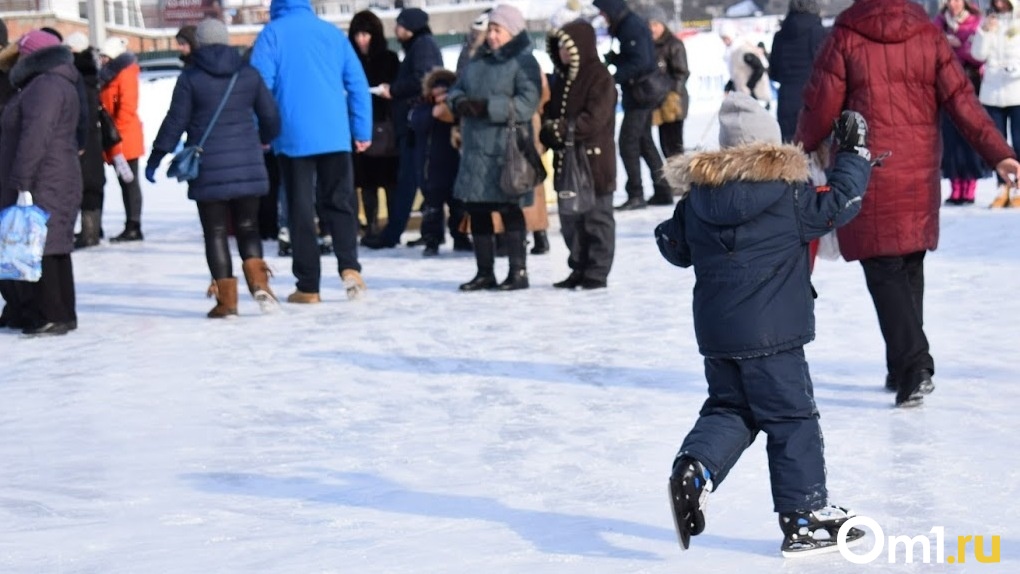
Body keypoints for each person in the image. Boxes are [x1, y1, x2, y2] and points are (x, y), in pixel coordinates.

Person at [655, 93, 873, 556]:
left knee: (730, 409)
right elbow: (840, 202)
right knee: (791, 418)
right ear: (772, 149)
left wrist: (683, 229)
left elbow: (673, 248)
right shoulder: (788, 196)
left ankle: (695, 467)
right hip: (773, 337)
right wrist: (853, 154)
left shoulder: (698, 200)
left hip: (718, 335)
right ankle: (805, 517)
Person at [796, 0, 1020, 407]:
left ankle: (914, 364)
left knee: (884, 270)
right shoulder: (927, 34)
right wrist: (999, 153)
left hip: (866, 168)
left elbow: (821, 104)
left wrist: (800, 148)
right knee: (907, 266)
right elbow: (962, 100)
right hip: (917, 169)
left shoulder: (846, 34)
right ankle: (900, 365)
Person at [145, 19, 280, 318]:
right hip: (247, 163)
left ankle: (227, 302)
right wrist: (262, 141)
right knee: (248, 227)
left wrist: (156, 157)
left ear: (200, 44)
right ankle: (260, 283)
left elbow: (175, 121)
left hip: (208, 168)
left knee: (216, 232)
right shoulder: (248, 73)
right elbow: (271, 117)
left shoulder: (191, 78)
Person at [249, 0, 373, 302]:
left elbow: (259, 88)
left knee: (299, 208)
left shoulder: (271, 35)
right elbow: (357, 83)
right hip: (334, 133)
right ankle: (350, 268)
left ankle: (308, 285)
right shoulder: (330, 33)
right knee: (340, 201)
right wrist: (361, 129)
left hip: (292, 136)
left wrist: (262, 131)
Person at [445, 4, 543, 291]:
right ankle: (484, 272)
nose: (492, 36)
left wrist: (488, 107)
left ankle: (518, 272)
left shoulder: (524, 63)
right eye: (490, 30)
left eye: (497, 30)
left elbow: (528, 103)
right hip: (475, 150)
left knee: (510, 210)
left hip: (505, 150)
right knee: (477, 211)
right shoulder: (477, 61)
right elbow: (456, 89)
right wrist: (459, 102)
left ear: (511, 31)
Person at [0, 31, 84, 336]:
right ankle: (61, 312)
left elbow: (36, 135)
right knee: (55, 244)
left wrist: (21, 178)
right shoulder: (55, 81)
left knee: (44, 245)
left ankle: (53, 313)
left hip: (44, 176)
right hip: (54, 173)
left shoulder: (44, 85)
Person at [541, 20, 618, 289]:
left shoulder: (600, 77)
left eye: (568, 47)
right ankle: (578, 267)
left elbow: (594, 119)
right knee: (571, 220)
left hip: (594, 163)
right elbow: (552, 112)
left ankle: (596, 272)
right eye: (560, 47)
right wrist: (549, 129)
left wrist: (562, 129)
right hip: (568, 162)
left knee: (596, 218)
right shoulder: (561, 79)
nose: (563, 52)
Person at [361, 8, 443, 250]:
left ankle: (395, 234)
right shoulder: (419, 46)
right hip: (412, 123)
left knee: (411, 180)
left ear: (410, 26)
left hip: (415, 125)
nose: (396, 29)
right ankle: (429, 233)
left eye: (400, 24)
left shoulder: (423, 46)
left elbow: (424, 79)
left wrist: (394, 90)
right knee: (415, 180)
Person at [594, 0, 673, 209]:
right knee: (645, 141)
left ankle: (636, 193)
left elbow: (640, 61)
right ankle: (663, 190)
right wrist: (617, 59)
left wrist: (614, 77)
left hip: (641, 94)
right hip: (639, 93)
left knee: (628, 142)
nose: (602, 15)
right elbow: (637, 58)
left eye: (603, 11)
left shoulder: (630, 26)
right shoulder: (627, 24)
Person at [349, 10, 400, 238]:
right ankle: (370, 225)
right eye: (358, 34)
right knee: (366, 183)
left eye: (366, 34)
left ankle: (391, 226)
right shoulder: (350, 60)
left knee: (390, 181)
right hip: (359, 128)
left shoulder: (389, 58)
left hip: (385, 127)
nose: (362, 39)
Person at [410, 69, 469, 256]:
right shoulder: (422, 107)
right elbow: (416, 123)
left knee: (458, 207)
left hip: (455, 167)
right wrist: (433, 113)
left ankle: (460, 238)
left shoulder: (457, 109)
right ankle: (431, 240)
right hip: (431, 168)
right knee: (432, 209)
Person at [935, 0, 989, 205]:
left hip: (970, 83)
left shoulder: (976, 22)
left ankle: (970, 187)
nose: (953, 4)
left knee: (969, 137)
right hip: (946, 85)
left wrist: (960, 46)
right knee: (950, 139)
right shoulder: (940, 22)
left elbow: (980, 56)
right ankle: (955, 186)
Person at [972, 0, 1020, 208]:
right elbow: (978, 55)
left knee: (1019, 140)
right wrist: (985, 32)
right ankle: (1002, 186)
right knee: (997, 143)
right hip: (993, 91)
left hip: (1017, 89)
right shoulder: (988, 21)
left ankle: (1018, 185)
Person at [99, 37, 145, 243]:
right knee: (124, 182)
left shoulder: (125, 74)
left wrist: (114, 136)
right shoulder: (111, 74)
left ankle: (134, 225)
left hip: (124, 138)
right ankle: (130, 224)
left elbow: (126, 108)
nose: (102, 61)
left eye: (105, 57)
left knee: (129, 183)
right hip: (114, 136)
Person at [64, 32, 107, 249]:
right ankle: (93, 228)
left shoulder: (75, 75)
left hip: (82, 137)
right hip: (94, 135)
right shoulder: (93, 73)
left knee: (85, 184)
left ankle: (89, 232)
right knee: (94, 183)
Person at [768, 0, 828, 142]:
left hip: (786, 101)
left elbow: (774, 73)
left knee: (790, 153)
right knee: (818, 155)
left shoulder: (780, 36)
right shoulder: (820, 33)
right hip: (814, 99)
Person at [643, 5, 689, 160]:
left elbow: (682, 73)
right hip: (658, 101)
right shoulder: (649, 45)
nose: (652, 29)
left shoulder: (673, 44)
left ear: (663, 25)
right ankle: (672, 180)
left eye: (656, 25)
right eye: (649, 25)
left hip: (673, 103)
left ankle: (681, 182)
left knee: (674, 147)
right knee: (665, 147)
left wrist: (673, 95)